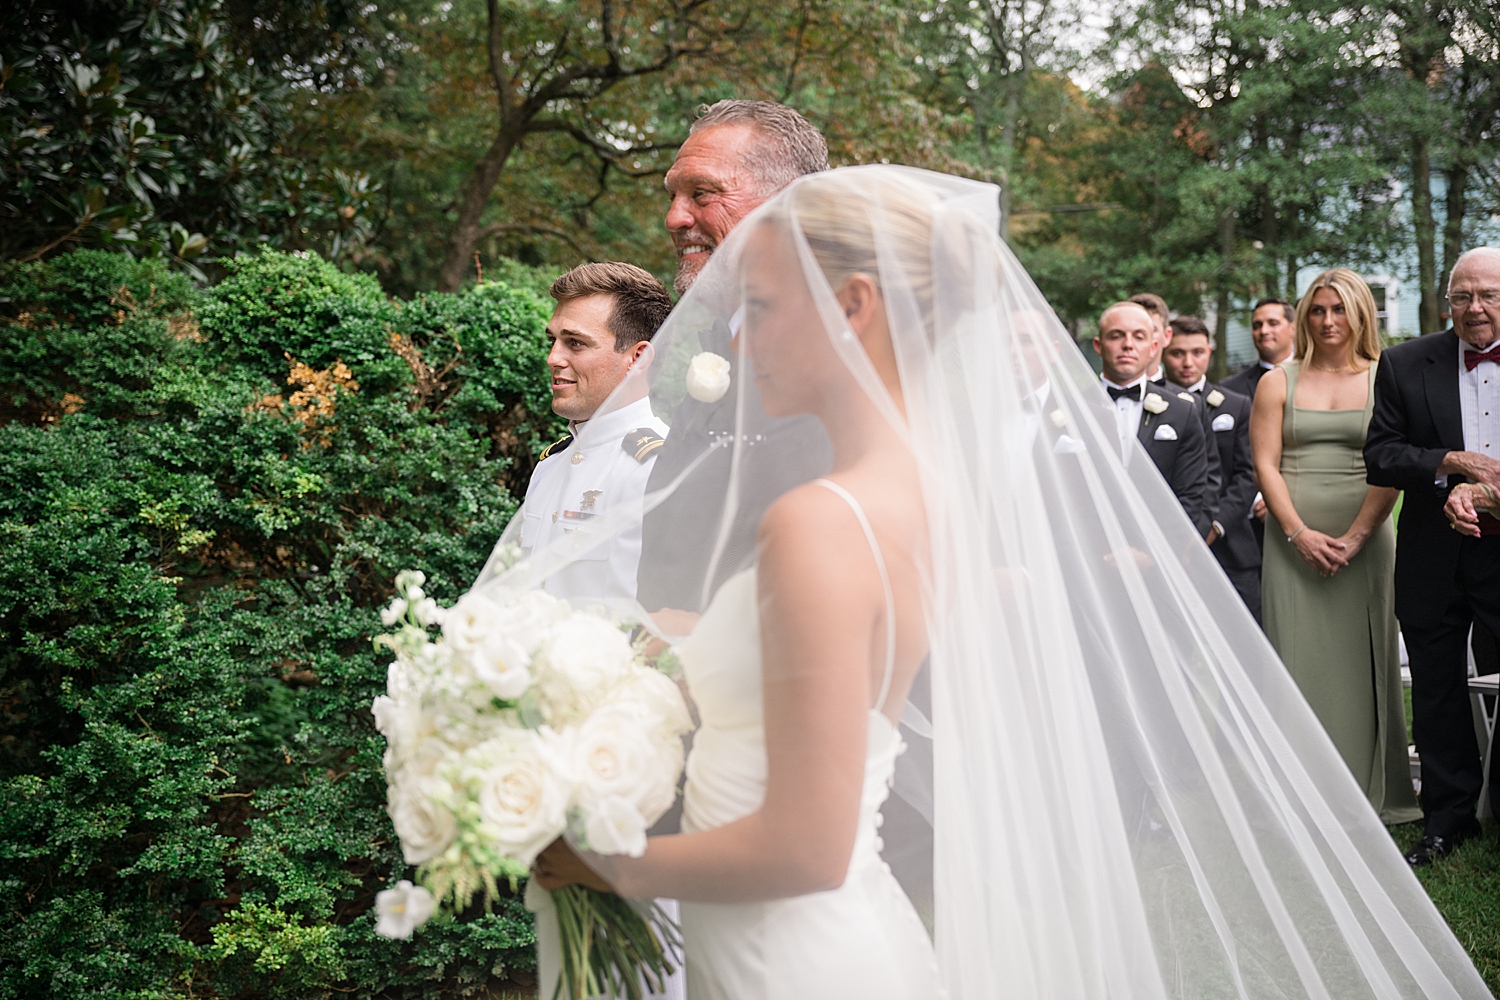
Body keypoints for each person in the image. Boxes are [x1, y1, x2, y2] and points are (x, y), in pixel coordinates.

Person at [481, 166, 1492, 998]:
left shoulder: (816, 519)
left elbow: (807, 843)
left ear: (853, 305)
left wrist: (591, 859)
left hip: (787, 958)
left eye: (759, 305)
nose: (737, 335)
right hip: (828, 939)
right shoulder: (926, 489)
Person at [637, 99, 834, 613]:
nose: (674, 217)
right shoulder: (716, 349)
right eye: (674, 196)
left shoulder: (830, 377)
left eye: (703, 193)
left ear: (788, 203)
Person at [1249, 268, 1419, 825]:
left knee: (1364, 660)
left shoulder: (1384, 377)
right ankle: (1296, 795)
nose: (1327, 321)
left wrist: (1355, 537)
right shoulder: (1278, 381)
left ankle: (1376, 791)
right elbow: (1265, 465)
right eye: (1317, 310)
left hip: (1365, 536)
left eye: (1339, 309)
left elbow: (1392, 465)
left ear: (1361, 314)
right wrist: (1297, 533)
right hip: (1291, 537)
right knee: (1294, 657)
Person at [1365, 245, 1500, 865]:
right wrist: (1447, 463)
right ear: (1448, 300)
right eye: (1462, 296)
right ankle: (1448, 819)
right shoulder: (1404, 362)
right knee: (1438, 690)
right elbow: (1382, 455)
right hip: (1432, 555)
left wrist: (1486, 489)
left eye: (1489, 295)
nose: (1475, 308)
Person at [513, 263, 672, 600]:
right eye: (553, 340)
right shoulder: (549, 466)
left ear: (638, 358)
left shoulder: (659, 468)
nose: (553, 358)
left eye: (575, 343)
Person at [1164, 315, 1260, 619]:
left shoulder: (1236, 404)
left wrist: (1214, 525)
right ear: (1164, 351)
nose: (1188, 362)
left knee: (1246, 636)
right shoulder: (1154, 406)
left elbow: (1248, 473)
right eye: (1178, 353)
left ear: (1210, 352)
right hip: (1169, 541)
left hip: (1230, 541)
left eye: (1197, 353)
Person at [1094, 301, 1211, 536]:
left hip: (1159, 553)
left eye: (1138, 337)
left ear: (1153, 346)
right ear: (1098, 345)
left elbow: (1190, 494)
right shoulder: (1070, 408)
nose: (1128, 345)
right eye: (1116, 336)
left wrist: (1151, 555)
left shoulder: (1182, 412)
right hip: (1086, 556)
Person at [1224, 296, 1297, 398]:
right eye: (1257, 325)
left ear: (1292, 328)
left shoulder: (1316, 378)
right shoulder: (1230, 389)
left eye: (1273, 323)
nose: (1264, 331)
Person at [1129, 292, 1172, 383]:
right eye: (1135, 331)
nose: (1143, 338)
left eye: (1152, 330)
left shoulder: (1181, 396)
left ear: (1167, 336)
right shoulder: (1095, 393)